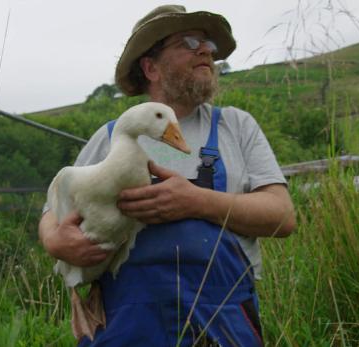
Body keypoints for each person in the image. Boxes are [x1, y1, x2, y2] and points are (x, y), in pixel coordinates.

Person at [39, 4, 296, 346]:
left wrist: (197, 202)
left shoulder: (236, 126)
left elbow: (282, 216)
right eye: (188, 42)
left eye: (208, 45)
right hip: (126, 324)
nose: (205, 50)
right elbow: (53, 212)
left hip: (221, 322)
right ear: (151, 67)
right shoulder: (111, 136)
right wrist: (55, 241)